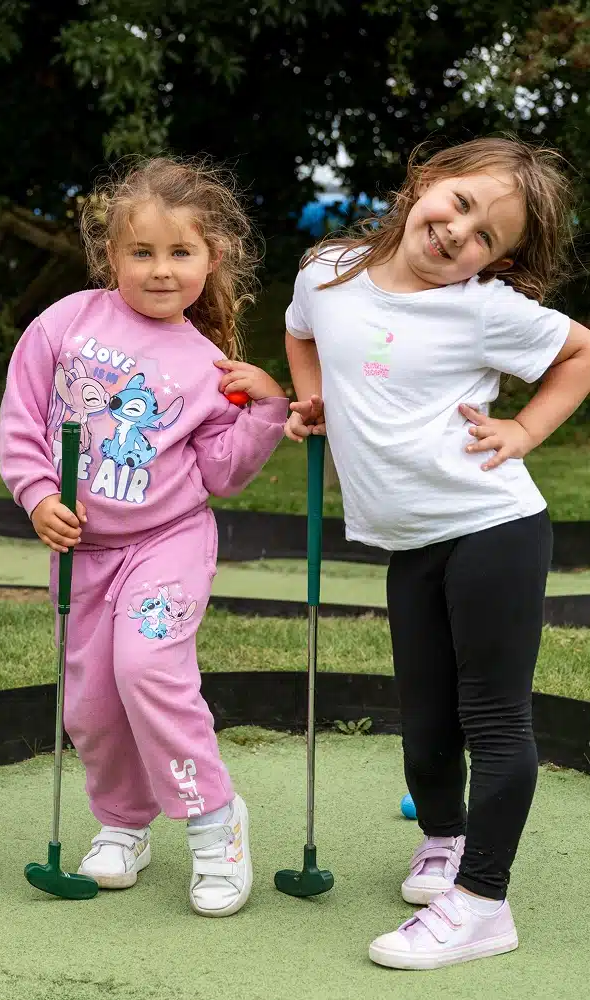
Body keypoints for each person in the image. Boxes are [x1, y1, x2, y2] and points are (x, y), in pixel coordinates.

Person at [284, 136, 590, 968]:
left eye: (487, 236)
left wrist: (526, 428)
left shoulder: (485, 309)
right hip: (411, 539)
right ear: (425, 180)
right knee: (424, 721)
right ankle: (445, 843)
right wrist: (313, 400)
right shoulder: (330, 272)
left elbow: (580, 351)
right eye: (458, 204)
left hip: (492, 527)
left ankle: (485, 901)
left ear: (500, 260)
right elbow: (301, 329)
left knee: (493, 718)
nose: (460, 233)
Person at [0, 156, 289, 916]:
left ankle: (214, 822)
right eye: (142, 252)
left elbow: (222, 472)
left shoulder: (207, 364)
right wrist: (36, 498)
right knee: (91, 704)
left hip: (167, 542)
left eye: (180, 253)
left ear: (210, 260)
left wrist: (263, 412)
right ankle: (124, 822)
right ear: (111, 256)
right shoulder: (63, 325)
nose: (161, 271)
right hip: (83, 553)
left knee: (149, 670)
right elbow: (24, 424)